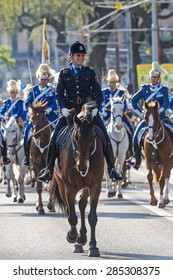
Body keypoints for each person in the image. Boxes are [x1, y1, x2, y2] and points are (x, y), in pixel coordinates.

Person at [38, 41, 124, 182]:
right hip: (69, 112)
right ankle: (48, 170)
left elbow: (98, 93)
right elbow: (58, 94)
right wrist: (62, 108)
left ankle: (112, 169)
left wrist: (96, 108)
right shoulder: (64, 74)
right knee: (54, 138)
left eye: (82, 55)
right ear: (71, 56)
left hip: (88, 112)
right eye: (78, 55)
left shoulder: (89, 72)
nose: (80, 58)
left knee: (105, 137)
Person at [128, 61, 173, 170]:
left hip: (161, 117)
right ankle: (137, 160)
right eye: (151, 77)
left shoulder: (163, 90)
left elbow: (166, 104)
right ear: (149, 78)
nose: (153, 79)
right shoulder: (144, 89)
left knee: (172, 130)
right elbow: (133, 100)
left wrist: (159, 112)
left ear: (159, 78)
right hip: (147, 120)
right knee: (135, 137)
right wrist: (141, 113)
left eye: (155, 77)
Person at [23, 63, 59, 166]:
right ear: (39, 79)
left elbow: (55, 103)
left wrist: (49, 109)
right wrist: (30, 109)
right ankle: (27, 157)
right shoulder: (33, 90)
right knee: (27, 132)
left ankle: (58, 155)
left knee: (58, 132)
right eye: (42, 79)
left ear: (48, 80)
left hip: (49, 116)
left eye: (45, 79)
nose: (43, 81)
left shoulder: (51, 90)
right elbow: (27, 103)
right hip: (36, 117)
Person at [101, 69, 134, 155]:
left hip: (120, 114)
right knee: (98, 130)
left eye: (114, 82)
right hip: (107, 114)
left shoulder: (121, 92)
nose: (112, 84)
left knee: (130, 129)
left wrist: (125, 110)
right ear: (108, 82)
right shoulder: (104, 92)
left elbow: (125, 104)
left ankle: (131, 150)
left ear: (116, 82)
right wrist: (102, 112)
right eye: (110, 82)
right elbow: (100, 104)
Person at [0, 79, 24, 164]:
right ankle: (4, 155)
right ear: (9, 93)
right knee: (2, 136)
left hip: (17, 122)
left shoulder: (19, 102)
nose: (12, 94)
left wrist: (13, 117)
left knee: (26, 134)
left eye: (14, 92)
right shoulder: (6, 102)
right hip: (7, 123)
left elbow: (20, 111)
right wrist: (3, 117)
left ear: (16, 93)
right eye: (11, 93)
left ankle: (27, 155)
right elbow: (1, 112)